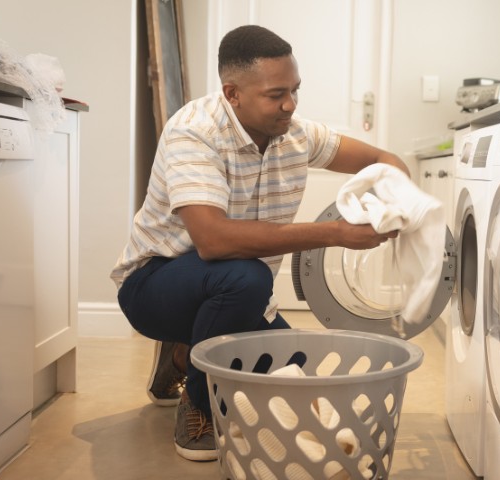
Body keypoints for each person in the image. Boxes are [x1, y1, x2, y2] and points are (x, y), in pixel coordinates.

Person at [110, 24, 408, 462]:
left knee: (294, 366)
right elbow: (213, 241)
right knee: (245, 277)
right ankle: (198, 400)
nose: (290, 105)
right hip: (153, 285)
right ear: (232, 94)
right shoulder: (193, 134)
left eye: (295, 90)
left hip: (225, 286)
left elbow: (383, 159)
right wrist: (335, 235)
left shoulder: (297, 134)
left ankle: (181, 355)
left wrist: (399, 194)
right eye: (275, 94)